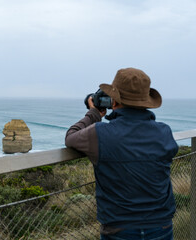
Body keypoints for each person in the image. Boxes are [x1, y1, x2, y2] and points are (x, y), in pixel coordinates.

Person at [65, 68, 179, 240]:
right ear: (146, 101)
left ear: (114, 101)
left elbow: (71, 137)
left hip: (119, 228)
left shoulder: (100, 133)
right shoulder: (164, 132)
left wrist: (94, 113)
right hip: (160, 225)